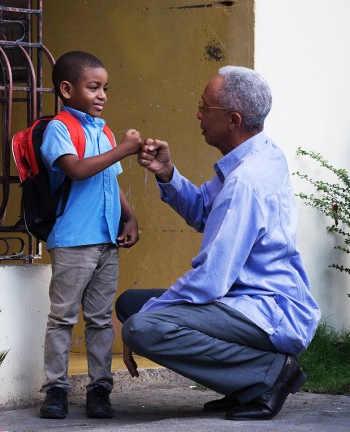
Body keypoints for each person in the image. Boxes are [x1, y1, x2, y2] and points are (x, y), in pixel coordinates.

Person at [118, 65, 321, 421]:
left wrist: (150, 316)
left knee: (141, 325)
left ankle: (270, 375)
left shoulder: (246, 182)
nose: (197, 113)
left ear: (233, 119)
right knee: (131, 304)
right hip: (247, 297)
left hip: (268, 310)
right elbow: (202, 211)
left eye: (204, 106)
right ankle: (243, 384)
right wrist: (167, 173)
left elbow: (211, 278)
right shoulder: (262, 153)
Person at [38, 50, 141, 420]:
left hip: (105, 243)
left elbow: (110, 182)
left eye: (105, 89)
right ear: (67, 89)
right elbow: (78, 170)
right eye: (93, 87)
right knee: (62, 318)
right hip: (73, 240)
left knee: (100, 319)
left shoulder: (105, 131)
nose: (102, 95)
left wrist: (129, 218)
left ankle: (100, 388)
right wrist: (124, 149)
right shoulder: (60, 129)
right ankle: (56, 390)